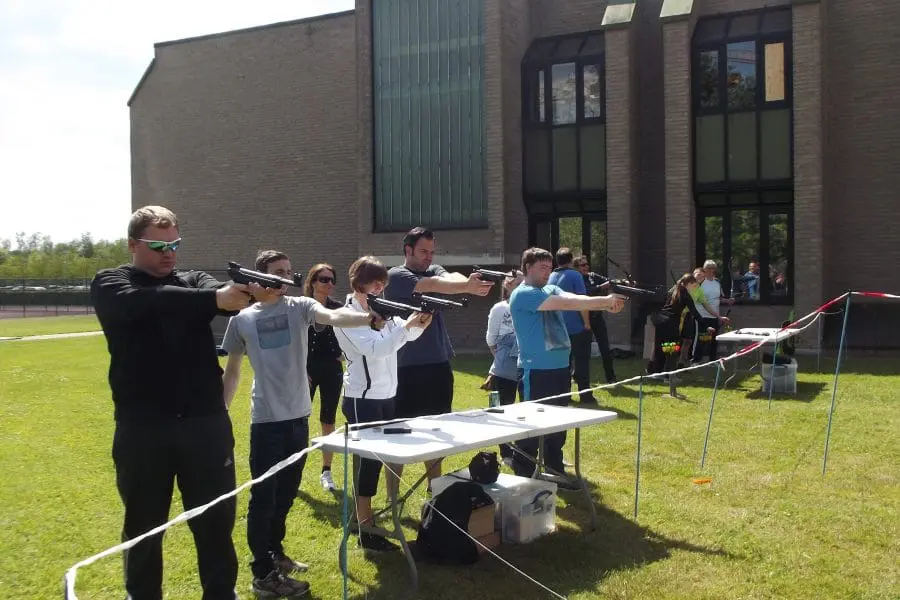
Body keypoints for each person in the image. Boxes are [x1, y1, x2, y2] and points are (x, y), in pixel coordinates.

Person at [90, 205, 251, 600]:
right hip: (143, 428)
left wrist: (246, 292)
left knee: (216, 524)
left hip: (204, 425)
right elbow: (145, 303)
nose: (169, 253)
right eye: (159, 245)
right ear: (133, 245)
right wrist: (214, 299)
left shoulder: (194, 280)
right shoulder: (112, 282)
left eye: (175, 244)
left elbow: (217, 294)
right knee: (143, 528)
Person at [221, 250, 382, 598]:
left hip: (298, 419)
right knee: (264, 498)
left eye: (289, 271)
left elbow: (333, 315)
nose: (285, 278)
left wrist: (367, 318)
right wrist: (221, 412)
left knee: (286, 493)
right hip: (266, 421)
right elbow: (232, 372)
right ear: (259, 276)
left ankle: (275, 553)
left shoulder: (300, 307)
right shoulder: (242, 320)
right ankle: (262, 573)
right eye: (278, 272)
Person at [334, 256, 433, 552]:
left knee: (376, 461)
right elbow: (375, 350)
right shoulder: (346, 315)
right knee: (368, 463)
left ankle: (365, 520)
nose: (380, 288)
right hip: (361, 398)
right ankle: (365, 526)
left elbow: (406, 335)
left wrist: (420, 323)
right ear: (359, 283)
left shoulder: (382, 310)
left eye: (383, 284)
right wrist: (405, 328)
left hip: (387, 395)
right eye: (375, 283)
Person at [385, 227, 494, 488]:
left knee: (438, 432)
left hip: (438, 365)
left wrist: (467, 282)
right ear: (408, 250)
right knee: (398, 434)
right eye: (423, 251)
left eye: (432, 252)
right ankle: (392, 498)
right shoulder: (396, 276)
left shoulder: (433, 269)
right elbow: (433, 285)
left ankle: (434, 493)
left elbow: (448, 277)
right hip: (404, 368)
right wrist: (466, 286)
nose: (429, 257)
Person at [509, 248, 624, 479]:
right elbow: (565, 303)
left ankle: (554, 469)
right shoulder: (523, 293)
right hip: (536, 370)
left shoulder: (550, 288)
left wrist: (603, 304)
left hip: (560, 368)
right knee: (532, 426)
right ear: (528, 267)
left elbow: (575, 299)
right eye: (542, 268)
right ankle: (523, 475)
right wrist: (604, 301)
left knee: (557, 425)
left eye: (549, 268)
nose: (547, 272)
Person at [304, 263, 344, 492]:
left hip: (332, 370)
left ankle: (326, 471)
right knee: (299, 419)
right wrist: (301, 369)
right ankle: (292, 468)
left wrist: (343, 353)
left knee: (328, 419)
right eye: (324, 279)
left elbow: (353, 333)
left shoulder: (338, 308)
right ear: (312, 282)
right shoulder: (302, 307)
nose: (329, 283)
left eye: (332, 279)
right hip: (306, 370)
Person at [485, 269, 524, 467]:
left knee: (527, 409)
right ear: (507, 285)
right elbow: (491, 339)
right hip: (503, 368)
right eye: (518, 282)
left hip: (526, 364)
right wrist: (501, 358)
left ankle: (526, 450)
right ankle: (505, 452)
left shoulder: (529, 303)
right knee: (500, 409)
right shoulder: (499, 308)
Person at [548, 248, 596, 404]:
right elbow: (582, 302)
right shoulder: (575, 275)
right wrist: (587, 323)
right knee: (582, 363)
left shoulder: (551, 277)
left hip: (558, 328)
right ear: (570, 261)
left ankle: (564, 394)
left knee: (563, 364)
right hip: (576, 327)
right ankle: (585, 395)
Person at [646, 273, 711, 375]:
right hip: (670, 322)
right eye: (694, 286)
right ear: (689, 284)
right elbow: (695, 313)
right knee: (672, 350)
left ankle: (653, 372)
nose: (694, 288)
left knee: (660, 347)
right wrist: (707, 327)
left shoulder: (674, 291)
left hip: (660, 319)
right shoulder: (685, 295)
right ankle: (668, 375)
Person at [573, 255, 617, 384]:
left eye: (587, 264)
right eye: (583, 265)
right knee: (581, 351)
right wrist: (601, 287)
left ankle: (611, 377)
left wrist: (622, 282)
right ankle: (577, 375)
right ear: (576, 268)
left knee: (605, 348)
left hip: (597, 317)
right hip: (583, 318)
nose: (586, 267)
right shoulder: (576, 279)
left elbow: (608, 282)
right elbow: (586, 293)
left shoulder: (592, 276)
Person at [693, 260, 733, 363]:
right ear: (704, 269)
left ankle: (712, 361)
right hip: (703, 316)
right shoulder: (700, 282)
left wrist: (727, 300)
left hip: (715, 316)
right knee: (702, 339)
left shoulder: (717, 283)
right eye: (709, 268)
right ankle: (696, 361)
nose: (711, 270)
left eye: (713, 268)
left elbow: (718, 298)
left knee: (714, 340)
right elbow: (698, 299)